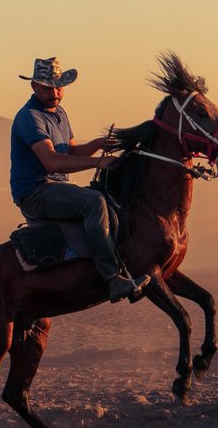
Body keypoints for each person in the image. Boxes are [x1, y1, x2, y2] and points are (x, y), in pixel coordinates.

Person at [10, 57, 151, 303]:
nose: (54, 92)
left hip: (56, 188)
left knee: (109, 198)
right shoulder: (29, 117)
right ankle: (112, 278)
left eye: (58, 87)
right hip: (36, 193)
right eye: (47, 87)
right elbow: (52, 162)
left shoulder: (59, 113)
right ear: (34, 86)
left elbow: (71, 152)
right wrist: (98, 162)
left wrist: (96, 146)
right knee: (93, 202)